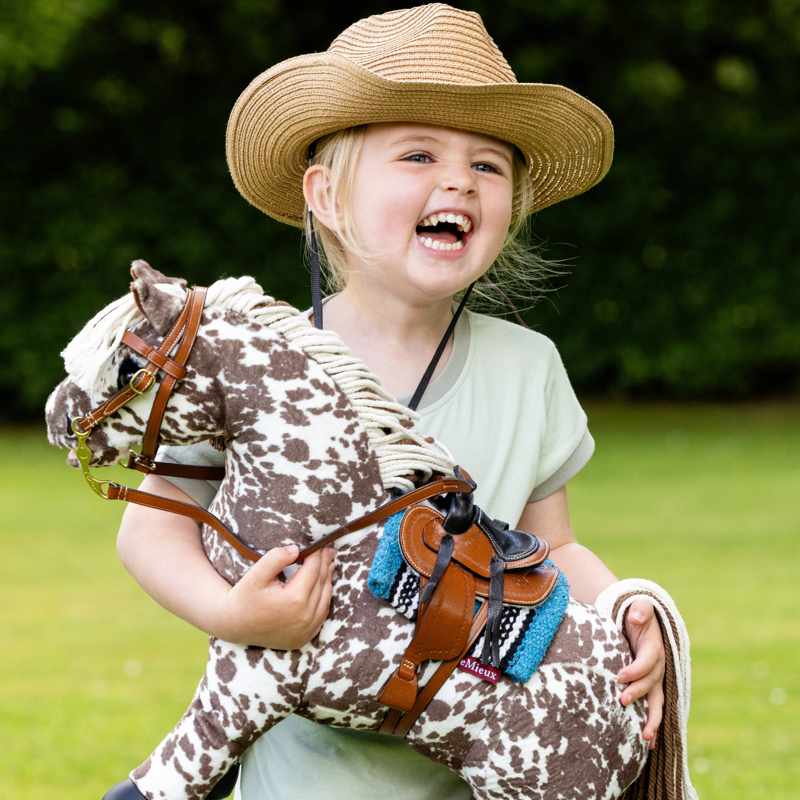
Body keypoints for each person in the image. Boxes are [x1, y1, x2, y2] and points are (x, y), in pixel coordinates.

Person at [116, 6, 666, 798]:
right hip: (295, 780)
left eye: (487, 166)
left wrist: (621, 613)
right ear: (326, 196)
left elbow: (555, 552)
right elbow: (152, 523)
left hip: (472, 766)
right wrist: (232, 615)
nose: (457, 182)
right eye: (418, 154)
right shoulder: (259, 364)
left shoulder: (528, 367)